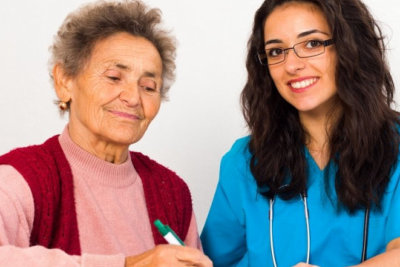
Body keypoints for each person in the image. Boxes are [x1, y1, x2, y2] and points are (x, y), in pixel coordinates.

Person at [0, 1, 212, 266]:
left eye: (148, 86)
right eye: (114, 77)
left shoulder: (171, 191)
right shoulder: (19, 180)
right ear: (64, 81)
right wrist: (128, 264)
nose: (133, 97)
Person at [201, 0, 400, 266]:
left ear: (351, 46)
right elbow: (214, 261)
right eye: (276, 51)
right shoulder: (243, 162)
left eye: (313, 44)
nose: (291, 65)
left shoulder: (395, 146)